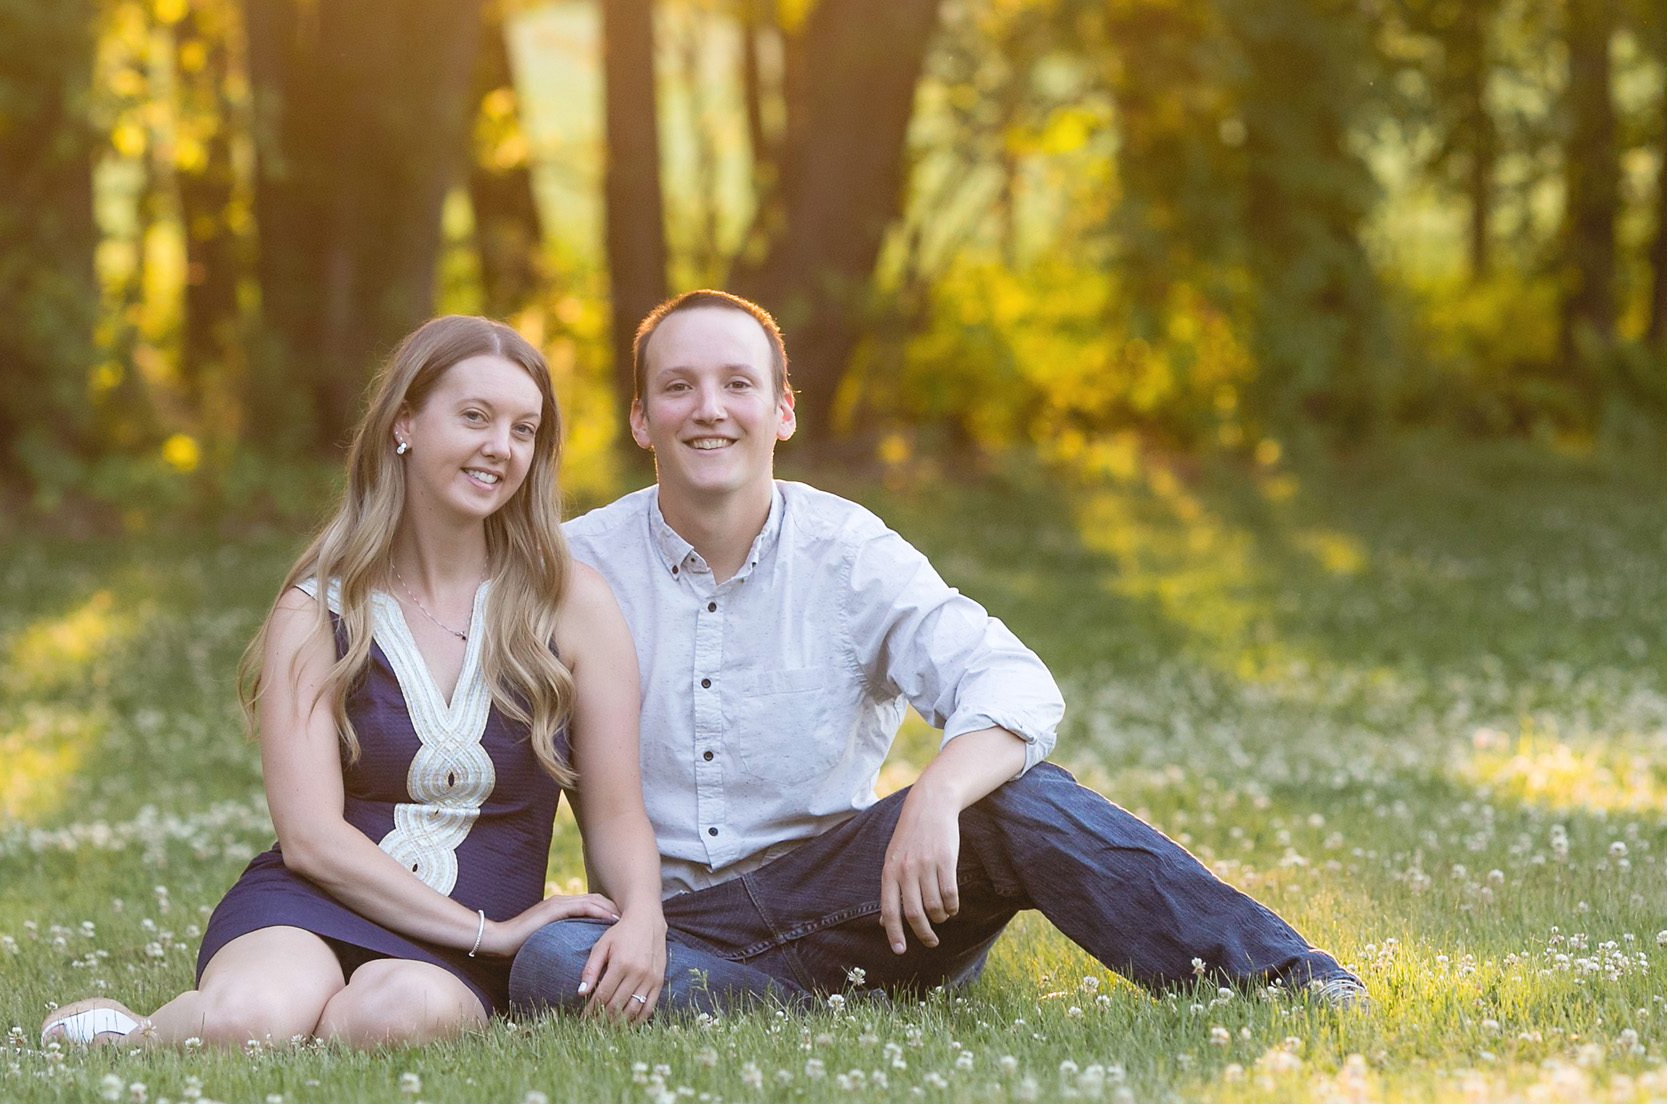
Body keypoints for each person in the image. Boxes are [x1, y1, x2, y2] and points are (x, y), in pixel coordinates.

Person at [509, 290, 1367, 1015]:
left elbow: (1013, 684)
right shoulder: (573, 565)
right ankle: (807, 1000)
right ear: (639, 417)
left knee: (1015, 797)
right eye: (677, 386)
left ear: (783, 410)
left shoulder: (847, 552)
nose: (708, 408)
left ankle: (1290, 981)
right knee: (549, 963)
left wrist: (938, 797)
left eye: (738, 383)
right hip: (673, 922)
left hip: (859, 901)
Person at [42, 316, 667, 1051]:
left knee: (385, 1018)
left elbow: (616, 813)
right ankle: (128, 1038)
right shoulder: (315, 608)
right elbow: (308, 837)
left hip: (462, 941)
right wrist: (495, 935)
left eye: (524, 429)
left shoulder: (572, 602)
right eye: (475, 417)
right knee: (248, 1020)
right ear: (405, 421)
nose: (500, 447)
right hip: (315, 900)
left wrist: (643, 917)